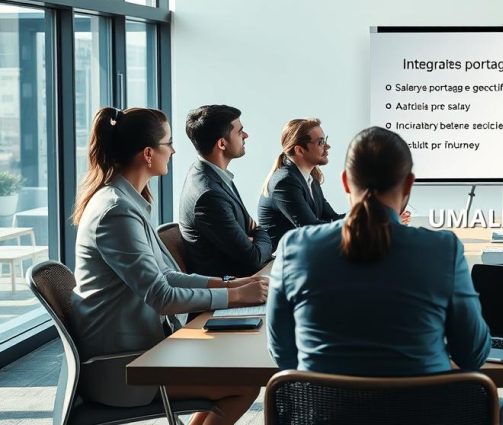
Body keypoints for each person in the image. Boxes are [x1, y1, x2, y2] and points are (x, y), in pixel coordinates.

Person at [71, 107, 267, 424]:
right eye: (169, 143)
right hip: (122, 368)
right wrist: (234, 297)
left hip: (142, 353)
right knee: (244, 384)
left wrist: (229, 286)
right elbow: (161, 296)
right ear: (149, 154)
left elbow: (166, 275)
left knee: (236, 378)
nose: (174, 150)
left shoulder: (126, 200)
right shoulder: (115, 211)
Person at [267, 126, 491, 375]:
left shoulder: (295, 248)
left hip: (326, 413)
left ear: (345, 182)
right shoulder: (443, 250)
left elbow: (284, 355)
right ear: (409, 184)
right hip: (423, 412)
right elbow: (472, 355)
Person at [179, 104, 272, 279]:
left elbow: (250, 236)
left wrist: (254, 236)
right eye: (239, 132)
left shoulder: (210, 173)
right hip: (239, 285)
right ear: (222, 143)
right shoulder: (208, 194)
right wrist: (260, 232)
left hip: (249, 274)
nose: (246, 135)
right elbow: (254, 258)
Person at [257, 118, 343, 249]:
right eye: (321, 142)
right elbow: (311, 229)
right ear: (299, 150)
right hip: (281, 263)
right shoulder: (285, 182)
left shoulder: (311, 178)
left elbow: (332, 218)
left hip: (304, 254)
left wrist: (366, 213)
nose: (327, 146)